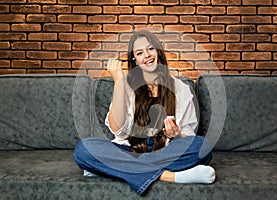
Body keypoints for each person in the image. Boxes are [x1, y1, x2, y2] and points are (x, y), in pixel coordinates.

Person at [74, 30, 216, 195]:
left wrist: (176, 134)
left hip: (166, 152)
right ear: (135, 60)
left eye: (150, 49)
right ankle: (168, 176)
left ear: (158, 51)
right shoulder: (126, 85)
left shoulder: (181, 89)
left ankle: (113, 168)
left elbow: (189, 137)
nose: (147, 55)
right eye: (140, 53)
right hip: (129, 151)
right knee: (84, 149)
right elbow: (118, 129)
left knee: (201, 146)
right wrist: (119, 81)